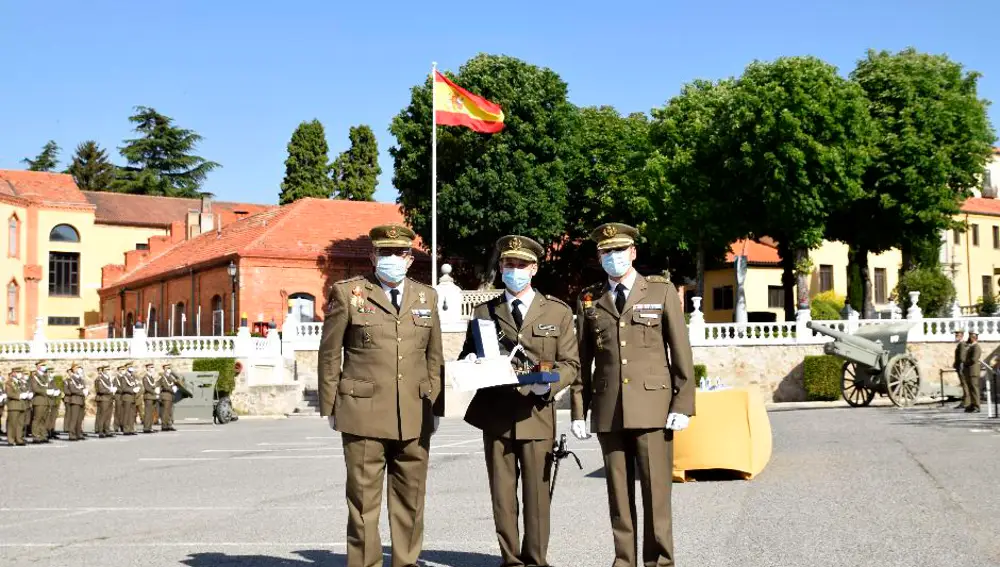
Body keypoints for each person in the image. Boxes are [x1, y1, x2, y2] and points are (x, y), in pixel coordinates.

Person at [318, 223, 444, 567]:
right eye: (384, 252)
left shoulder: (426, 296)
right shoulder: (349, 293)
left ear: (409, 258)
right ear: (373, 256)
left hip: (415, 413)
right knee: (362, 503)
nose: (392, 258)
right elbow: (330, 353)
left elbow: (434, 357)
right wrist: (330, 405)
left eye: (399, 253)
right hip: (363, 413)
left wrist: (436, 406)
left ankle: (405, 561)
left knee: (411, 500)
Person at [570, 222, 696, 567]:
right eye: (605, 252)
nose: (613, 258)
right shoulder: (589, 298)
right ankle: (623, 561)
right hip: (609, 410)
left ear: (633, 252)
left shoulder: (660, 291)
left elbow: (680, 350)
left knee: (656, 495)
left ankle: (660, 563)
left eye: (619, 250)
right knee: (619, 498)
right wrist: (579, 411)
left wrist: (682, 403)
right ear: (599, 257)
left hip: (655, 408)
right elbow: (582, 361)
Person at [459, 235, 580, 567]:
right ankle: (511, 560)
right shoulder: (485, 310)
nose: (513, 270)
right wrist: (469, 364)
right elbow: (467, 355)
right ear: (500, 268)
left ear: (534, 269)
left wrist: (550, 388)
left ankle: (536, 560)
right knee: (502, 496)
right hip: (495, 414)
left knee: (537, 498)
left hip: (536, 413)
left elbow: (571, 365)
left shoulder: (557, 311)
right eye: (508, 264)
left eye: (520, 265)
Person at [29, 361, 51, 444]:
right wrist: (46, 391)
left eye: (44, 365)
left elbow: (48, 385)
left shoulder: (45, 376)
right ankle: (36, 436)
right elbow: (35, 388)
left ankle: (43, 435)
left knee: (43, 419)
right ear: (38, 366)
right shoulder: (35, 377)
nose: (44, 367)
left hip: (46, 401)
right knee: (37, 419)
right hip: (38, 400)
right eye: (43, 365)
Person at [65, 364, 88, 441]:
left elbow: (84, 388)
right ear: (73, 370)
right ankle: (72, 434)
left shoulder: (81, 379)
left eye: (79, 368)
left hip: (81, 400)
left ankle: (79, 433)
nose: (78, 369)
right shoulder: (71, 379)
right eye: (77, 368)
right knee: (74, 418)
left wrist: (87, 392)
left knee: (79, 419)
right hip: (75, 400)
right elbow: (73, 390)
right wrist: (82, 392)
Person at [5, 369, 27, 446]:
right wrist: (19, 396)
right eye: (18, 372)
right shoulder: (9, 382)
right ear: (13, 373)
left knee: (20, 424)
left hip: (21, 405)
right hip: (13, 405)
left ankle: (19, 439)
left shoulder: (20, 382)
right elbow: (9, 393)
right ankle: (11, 440)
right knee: (12, 424)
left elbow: (24, 390)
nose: (19, 374)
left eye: (20, 372)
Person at [94, 366, 116, 438]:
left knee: (108, 416)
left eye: (109, 369)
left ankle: (107, 430)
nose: (108, 370)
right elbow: (100, 390)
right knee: (102, 416)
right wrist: (110, 390)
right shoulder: (100, 379)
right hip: (103, 399)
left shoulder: (108, 379)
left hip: (109, 399)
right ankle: (100, 431)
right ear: (103, 371)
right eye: (107, 369)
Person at [964, 330, 982, 413]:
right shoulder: (971, 347)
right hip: (969, 371)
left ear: (974, 338)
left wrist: (965, 362)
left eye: (970, 337)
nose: (969, 338)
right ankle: (972, 404)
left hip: (973, 371)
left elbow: (974, 359)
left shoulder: (976, 347)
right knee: (971, 389)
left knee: (974, 389)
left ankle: (977, 406)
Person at [158, 363, 178, 431]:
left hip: (170, 396)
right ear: (164, 369)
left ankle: (169, 425)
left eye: (169, 368)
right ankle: (164, 426)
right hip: (165, 396)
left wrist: (175, 387)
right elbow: (165, 387)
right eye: (167, 368)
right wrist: (172, 389)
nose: (169, 369)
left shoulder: (170, 377)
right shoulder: (163, 377)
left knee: (170, 412)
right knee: (165, 412)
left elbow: (176, 381)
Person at [953, 328, 970, 409]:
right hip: (960, 366)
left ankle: (966, 402)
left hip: (962, 367)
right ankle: (964, 401)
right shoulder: (960, 344)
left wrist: (960, 367)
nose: (956, 336)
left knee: (964, 385)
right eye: (956, 334)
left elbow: (962, 358)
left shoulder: (962, 344)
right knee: (963, 385)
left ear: (962, 335)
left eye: (958, 335)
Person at [141, 364, 160, 433]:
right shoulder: (145, 377)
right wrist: (155, 392)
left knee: (151, 413)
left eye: (153, 367)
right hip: (148, 397)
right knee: (148, 413)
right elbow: (147, 388)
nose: (152, 368)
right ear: (147, 368)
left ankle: (149, 427)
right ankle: (146, 428)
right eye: (151, 367)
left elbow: (154, 385)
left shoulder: (151, 377)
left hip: (152, 397)